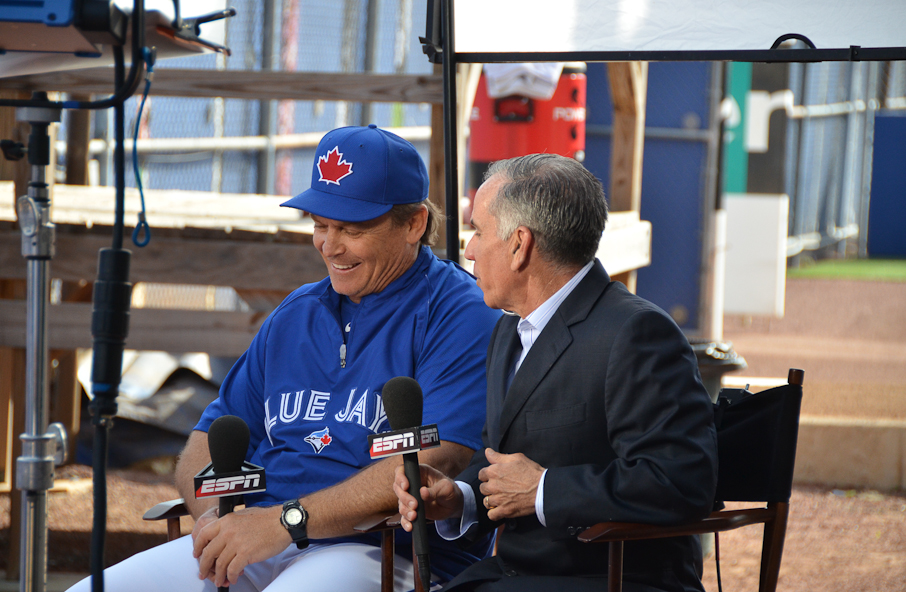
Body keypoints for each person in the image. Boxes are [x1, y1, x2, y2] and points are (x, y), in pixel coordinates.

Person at [67, 125, 501, 592]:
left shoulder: (459, 311)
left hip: (380, 548)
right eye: (320, 225)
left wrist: (285, 521)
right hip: (263, 535)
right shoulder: (296, 313)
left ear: (415, 223)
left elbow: (435, 462)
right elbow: (207, 440)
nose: (330, 246)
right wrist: (217, 523)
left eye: (352, 229)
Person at [394, 154, 719, 592]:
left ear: (519, 244)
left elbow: (681, 480)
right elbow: (497, 458)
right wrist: (459, 497)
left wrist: (545, 489)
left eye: (477, 231)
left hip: (615, 578)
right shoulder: (508, 328)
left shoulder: (637, 333)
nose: (467, 249)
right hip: (516, 576)